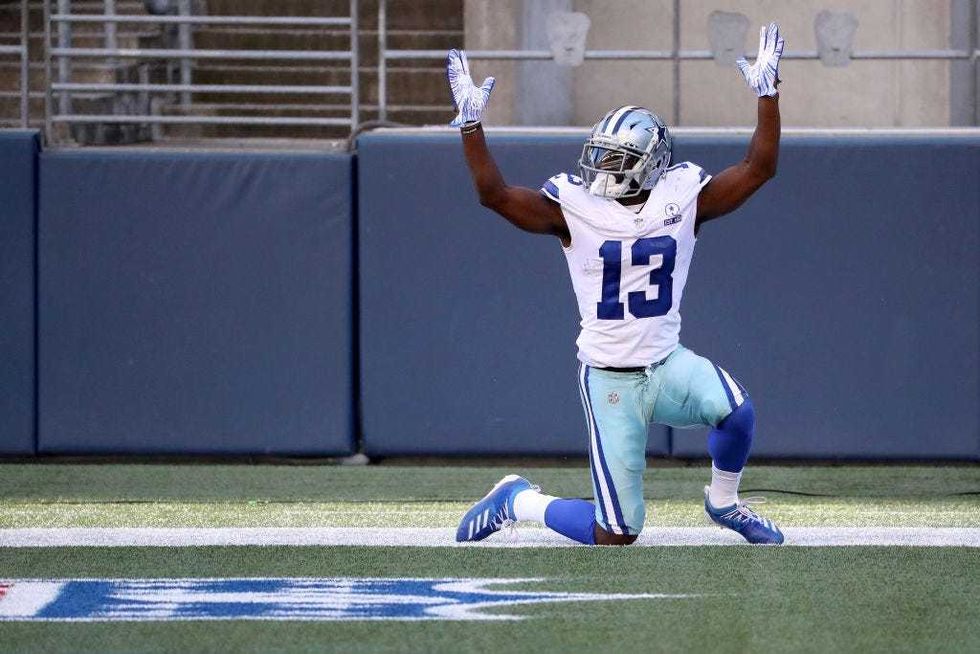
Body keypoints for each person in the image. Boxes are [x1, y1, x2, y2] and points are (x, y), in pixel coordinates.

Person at [451, 23, 786, 546]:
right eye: (600, 153)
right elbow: (492, 194)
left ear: (650, 165)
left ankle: (723, 502)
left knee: (738, 413)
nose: (601, 167)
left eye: (616, 158)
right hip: (611, 382)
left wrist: (767, 95)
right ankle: (518, 499)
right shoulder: (573, 210)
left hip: (667, 363)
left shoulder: (682, 198)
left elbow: (759, 167)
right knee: (616, 534)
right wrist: (470, 126)